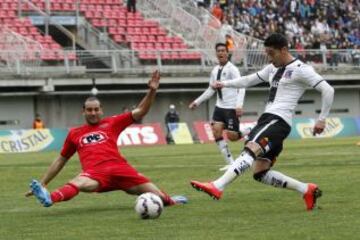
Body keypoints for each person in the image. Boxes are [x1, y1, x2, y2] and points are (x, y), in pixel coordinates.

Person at [190, 33, 335, 211]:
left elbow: (328, 90)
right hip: (269, 120)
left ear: (283, 50)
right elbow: (249, 80)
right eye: (267, 53)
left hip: (278, 120)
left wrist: (321, 120)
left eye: (271, 53)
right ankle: (306, 189)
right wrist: (225, 84)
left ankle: (217, 186)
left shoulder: (300, 69)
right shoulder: (272, 68)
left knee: (250, 148)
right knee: (260, 172)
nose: (269, 57)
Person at [26, 70, 187, 208]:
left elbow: (140, 111)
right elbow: (61, 160)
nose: (93, 113)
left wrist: (152, 91)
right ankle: (49, 198)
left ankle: (170, 200)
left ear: (101, 110)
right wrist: (43, 182)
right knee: (78, 183)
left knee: (159, 197)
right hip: (95, 173)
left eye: (96, 109)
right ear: (83, 111)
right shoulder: (75, 133)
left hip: (121, 169)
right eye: (89, 110)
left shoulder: (112, 122)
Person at [189, 43, 246, 171]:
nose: (220, 53)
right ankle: (231, 163)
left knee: (232, 137)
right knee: (216, 132)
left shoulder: (233, 69)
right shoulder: (215, 70)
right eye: (218, 51)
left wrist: (239, 105)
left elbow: (242, 86)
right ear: (216, 54)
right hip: (219, 107)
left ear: (227, 53)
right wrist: (197, 102)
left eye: (223, 51)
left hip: (231, 108)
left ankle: (249, 129)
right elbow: (211, 90)